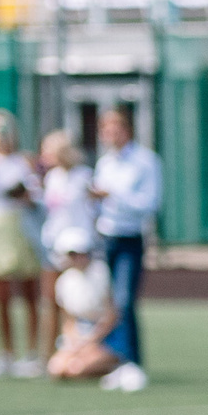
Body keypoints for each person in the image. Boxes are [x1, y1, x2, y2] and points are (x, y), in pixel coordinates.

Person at [88, 106, 162, 392]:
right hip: (106, 237)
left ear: (127, 129)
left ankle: (134, 362)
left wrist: (114, 195)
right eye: (105, 129)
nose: (109, 134)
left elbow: (150, 204)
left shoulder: (146, 161)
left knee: (125, 300)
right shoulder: (105, 162)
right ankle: (117, 362)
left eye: (114, 128)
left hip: (130, 237)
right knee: (110, 304)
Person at [0, 111, 48, 378]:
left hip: (22, 225)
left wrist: (25, 194)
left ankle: (31, 353)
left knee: (29, 292)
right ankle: (5, 353)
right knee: (1, 295)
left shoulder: (24, 160)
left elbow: (35, 189)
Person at [45, 229, 128, 382]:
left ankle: (116, 366)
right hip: (80, 336)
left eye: (81, 253)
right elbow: (68, 320)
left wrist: (90, 341)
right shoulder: (64, 281)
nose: (78, 258)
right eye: (72, 254)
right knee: (56, 369)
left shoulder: (101, 273)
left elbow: (112, 316)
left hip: (105, 338)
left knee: (76, 369)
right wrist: (74, 341)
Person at [37, 132, 91, 363]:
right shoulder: (52, 178)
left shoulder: (83, 176)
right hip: (54, 246)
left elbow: (89, 212)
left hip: (77, 249)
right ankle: (48, 355)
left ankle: (79, 352)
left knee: (79, 302)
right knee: (51, 301)